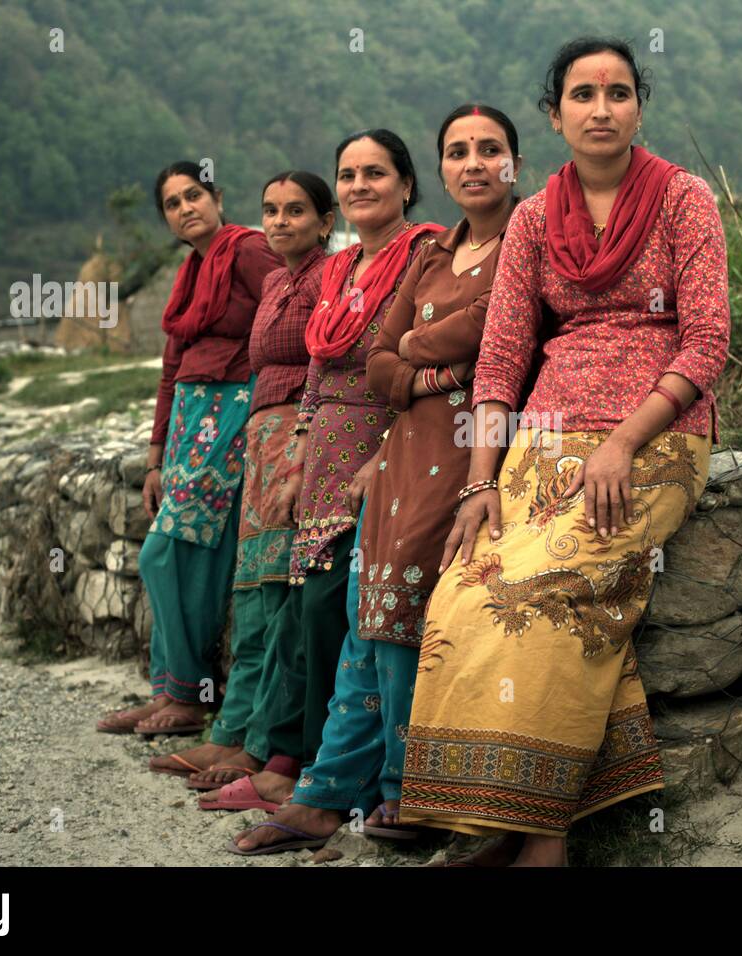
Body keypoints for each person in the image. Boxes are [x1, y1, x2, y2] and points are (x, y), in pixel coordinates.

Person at [396, 37, 731, 867]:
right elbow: (503, 355)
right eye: (583, 94)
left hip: (651, 440)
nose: (602, 108)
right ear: (556, 115)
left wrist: (621, 443)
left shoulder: (685, 200)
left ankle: (535, 844)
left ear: (639, 108)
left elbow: (708, 341)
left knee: (549, 594)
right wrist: (481, 483)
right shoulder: (538, 218)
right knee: (464, 595)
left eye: (619, 92)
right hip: (539, 444)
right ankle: (496, 820)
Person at [226, 105, 523, 853]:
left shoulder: (528, 236)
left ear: (516, 162)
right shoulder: (436, 256)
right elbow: (380, 362)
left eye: (491, 149)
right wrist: (430, 364)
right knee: (366, 619)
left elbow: (495, 326)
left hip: (471, 444)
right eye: (459, 150)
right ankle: (327, 792)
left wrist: (415, 360)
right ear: (443, 169)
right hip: (401, 446)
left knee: (399, 619)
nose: (475, 163)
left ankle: (405, 793)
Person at [205, 131, 442, 829]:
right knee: (312, 610)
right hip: (324, 458)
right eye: (348, 174)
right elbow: (315, 369)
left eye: (376, 173)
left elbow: (411, 368)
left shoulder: (422, 258)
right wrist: (304, 442)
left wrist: (388, 454)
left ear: (405, 185)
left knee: (347, 610)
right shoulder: (339, 273)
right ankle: (304, 767)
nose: (360, 184)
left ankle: (336, 778)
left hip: (381, 445)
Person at [148, 172, 335, 792]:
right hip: (248, 432)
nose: (279, 222)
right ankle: (230, 729)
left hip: (285, 431)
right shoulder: (273, 275)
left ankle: (262, 744)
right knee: (253, 588)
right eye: (272, 211)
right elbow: (174, 365)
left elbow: (324, 356)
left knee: (276, 590)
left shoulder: (267, 259)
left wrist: (306, 438)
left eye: (295, 211)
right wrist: (157, 450)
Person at [97, 161, 282, 737]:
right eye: (173, 203)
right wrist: (155, 457)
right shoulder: (189, 274)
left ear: (218, 198)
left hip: (233, 409)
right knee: (188, 551)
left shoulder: (249, 251)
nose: (185, 209)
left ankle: (188, 692)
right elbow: (171, 370)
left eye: (193, 195)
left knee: (165, 551)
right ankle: (172, 693)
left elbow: (284, 317)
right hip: (189, 419)